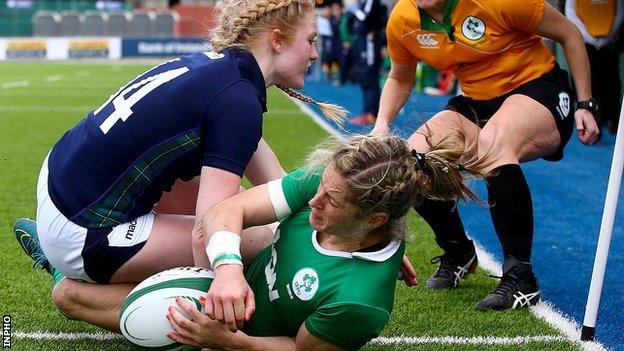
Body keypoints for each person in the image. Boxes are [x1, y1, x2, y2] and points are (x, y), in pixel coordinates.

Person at [13, 0, 345, 332]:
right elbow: (207, 233)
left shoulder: (226, 73)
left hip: (63, 180)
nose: (315, 53)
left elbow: (281, 190)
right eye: (311, 39)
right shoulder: (237, 101)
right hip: (83, 227)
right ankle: (73, 292)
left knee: (259, 223)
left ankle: (82, 257)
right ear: (277, 39)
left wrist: (353, 230)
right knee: (254, 249)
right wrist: (216, 317)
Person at [371, 0, 600, 311]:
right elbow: (400, 77)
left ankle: (521, 277)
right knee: (412, 160)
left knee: (493, 146)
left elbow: (569, 33)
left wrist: (585, 104)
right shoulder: (403, 19)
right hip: (477, 101)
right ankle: (458, 252)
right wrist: (382, 124)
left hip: (540, 90)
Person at [161, 133, 486, 350]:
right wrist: (228, 269)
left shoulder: (358, 302)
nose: (313, 201)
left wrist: (229, 342)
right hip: (236, 286)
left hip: (245, 337)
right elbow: (226, 211)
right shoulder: (333, 181)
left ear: (373, 221)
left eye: (331, 201)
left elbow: (299, 349)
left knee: (136, 316)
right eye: (321, 188)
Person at [565, 0, 624, 136]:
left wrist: (606, 37)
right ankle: (592, 121)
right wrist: (590, 39)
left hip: (609, 42)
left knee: (612, 82)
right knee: (590, 82)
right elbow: (570, 13)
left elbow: (620, 12)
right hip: (585, 41)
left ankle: (613, 121)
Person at [347, 0, 388, 125]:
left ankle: (372, 113)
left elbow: (366, 19)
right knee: (364, 77)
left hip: (370, 44)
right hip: (362, 42)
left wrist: (354, 10)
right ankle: (367, 112)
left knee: (370, 77)